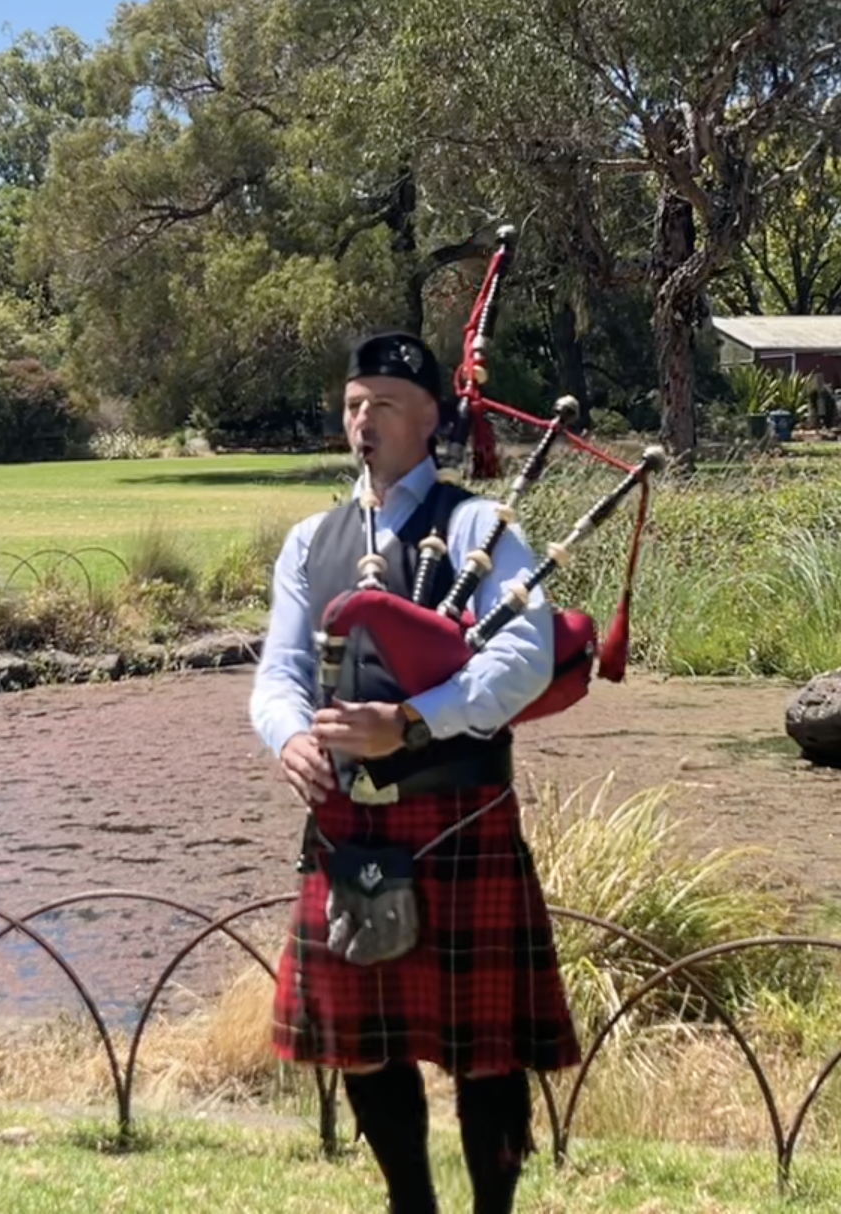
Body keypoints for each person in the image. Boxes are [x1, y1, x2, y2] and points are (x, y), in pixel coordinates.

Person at [249, 328, 582, 1213]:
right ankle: (412, 1205)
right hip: (350, 823)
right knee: (365, 1040)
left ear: (430, 418)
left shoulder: (476, 527)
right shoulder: (307, 542)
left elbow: (526, 656)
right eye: (353, 404)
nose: (362, 421)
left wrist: (410, 721)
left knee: (488, 1047)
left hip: (459, 811)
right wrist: (290, 738)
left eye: (384, 406)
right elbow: (278, 671)